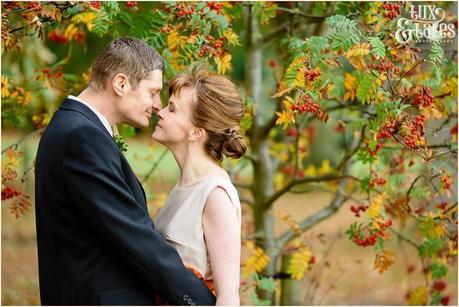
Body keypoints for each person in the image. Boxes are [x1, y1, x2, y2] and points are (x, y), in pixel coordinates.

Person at [34, 37, 216, 305]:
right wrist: (202, 301)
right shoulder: (82, 137)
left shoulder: (74, 127)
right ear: (121, 84)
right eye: (153, 92)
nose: (157, 105)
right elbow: (133, 235)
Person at [153, 64, 246, 306]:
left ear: (196, 132)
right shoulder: (185, 186)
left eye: (172, 109)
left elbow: (228, 295)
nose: (160, 112)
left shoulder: (214, 195)